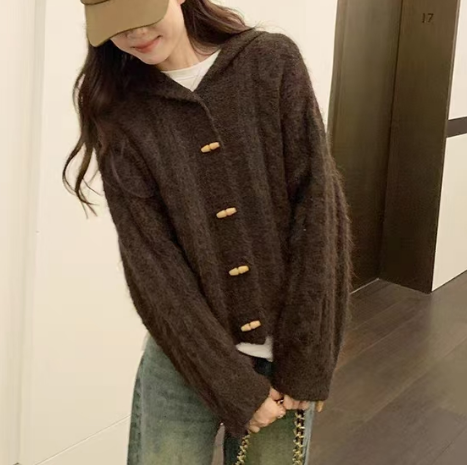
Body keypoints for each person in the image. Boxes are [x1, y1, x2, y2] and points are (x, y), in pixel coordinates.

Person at [64, 0, 352, 463]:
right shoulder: (120, 110)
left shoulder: (270, 62)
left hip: (286, 358)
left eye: (142, 13)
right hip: (184, 356)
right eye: (116, 26)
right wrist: (230, 384)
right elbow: (151, 264)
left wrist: (309, 357)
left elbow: (318, 210)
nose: (134, 34)